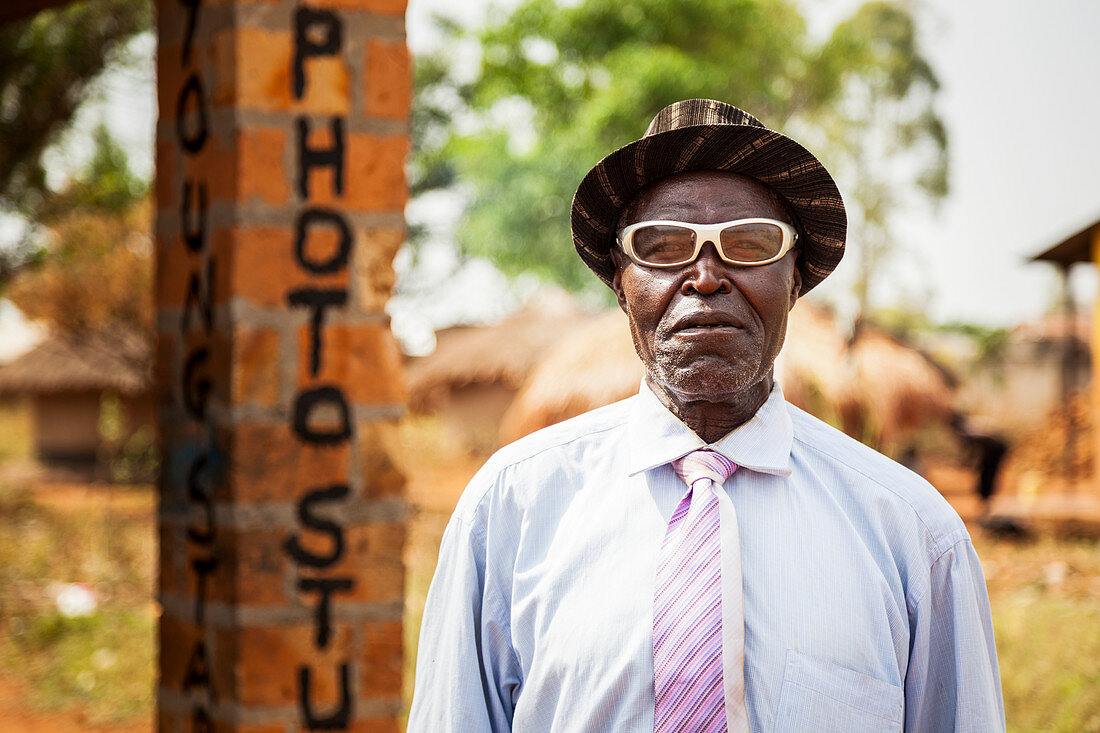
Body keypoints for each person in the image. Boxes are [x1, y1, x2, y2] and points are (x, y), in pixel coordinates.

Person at [409, 99, 1004, 732]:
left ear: (796, 278)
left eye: (751, 244)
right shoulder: (511, 509)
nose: (706, 276)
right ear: (620, 280)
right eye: (662, 245)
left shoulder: (912, 535)